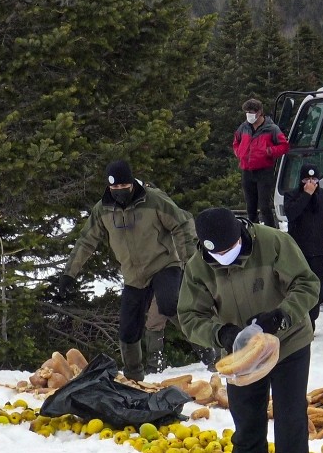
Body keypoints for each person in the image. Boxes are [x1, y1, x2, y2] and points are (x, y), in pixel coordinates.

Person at [178, 207, 320, 453]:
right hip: (241, 357)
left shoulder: (273, 243)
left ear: (240, 235)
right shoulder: (198, 268)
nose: (224, 257)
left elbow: (307, 284)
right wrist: (223, 334)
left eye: (230, 250)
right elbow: (190, 317)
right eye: (217, 254)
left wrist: (281, 315)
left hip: (289, 343)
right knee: (247, 427)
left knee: (291, 421)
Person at [56, 160, 215, 380]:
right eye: (115, 188)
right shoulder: (103, 209)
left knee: (170, 304)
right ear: (109, 187)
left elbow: (181, 224)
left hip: (164, 263)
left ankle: (208, 351)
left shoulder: (153, 200)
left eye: (124, 187)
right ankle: (134, 376)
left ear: (131, 183)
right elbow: (86, 241)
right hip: (133, 275)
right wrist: (68, 274)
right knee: (128, 327)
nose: (120, 192)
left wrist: (191, 261)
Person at [283, 163, 323, 329]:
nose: (310, 182)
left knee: (316, 288)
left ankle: (311, 321)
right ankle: (298, 319)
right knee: (297, 287)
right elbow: (291, 214)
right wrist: (306, 195)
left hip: (319, 251)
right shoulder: (291, 195)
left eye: (314, 179)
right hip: (297, 252)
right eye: (307, 179)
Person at [233, 98, 289, 228]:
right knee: (250, 207)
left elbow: (284, 146)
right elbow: (236, 142)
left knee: (264, 206)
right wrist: (239, 153)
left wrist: (269, 151)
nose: (249, 115)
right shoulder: (243, 127)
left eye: (251, 112)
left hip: (264, 171)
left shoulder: (272, 129)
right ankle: (253, 233)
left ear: (259, 112)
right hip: (247, 170)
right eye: (247, 112)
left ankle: (271, 232)